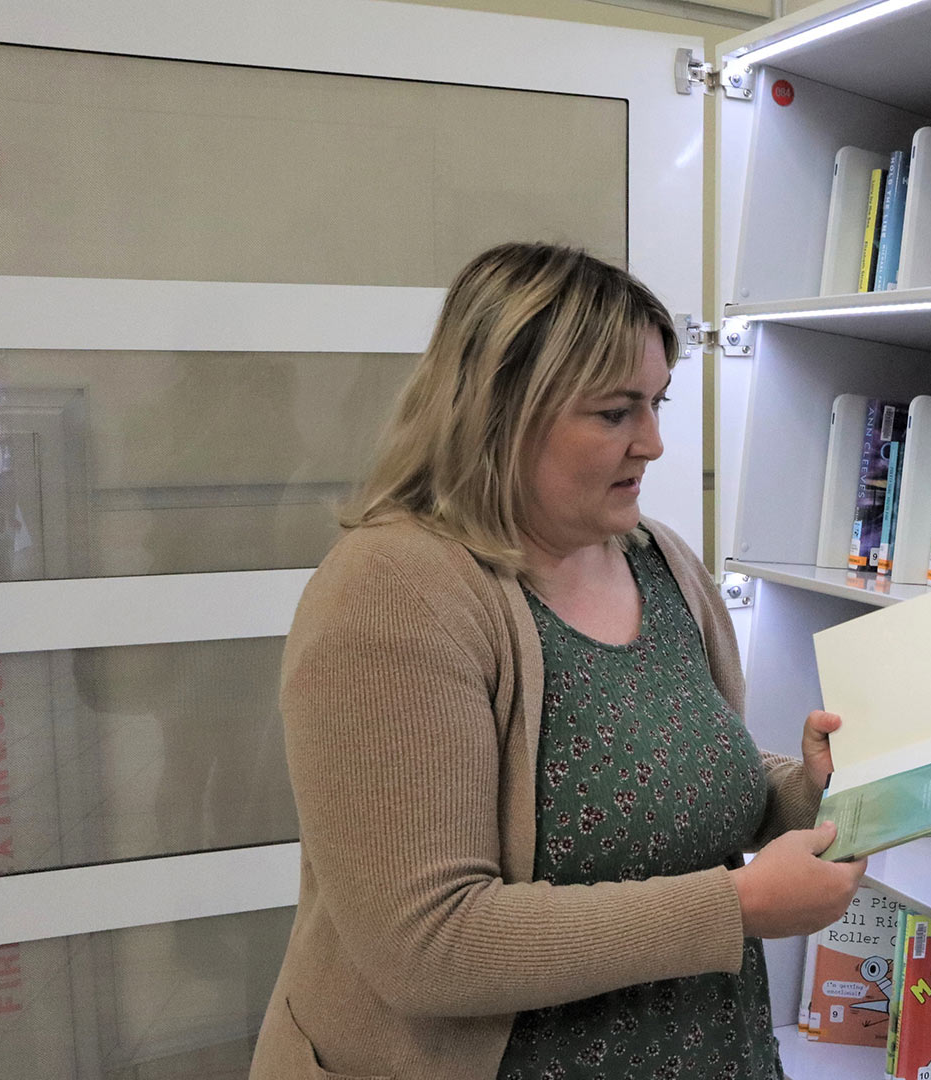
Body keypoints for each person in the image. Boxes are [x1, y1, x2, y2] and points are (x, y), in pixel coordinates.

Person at [251, 242, 866, 1080]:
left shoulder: (662, 560)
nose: (652, 442)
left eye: (658, 403)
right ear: (498, 414)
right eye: (615, 412)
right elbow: (425, 944)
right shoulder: (391, 592)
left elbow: (663, 779)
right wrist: (737, 907)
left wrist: (803, 789)